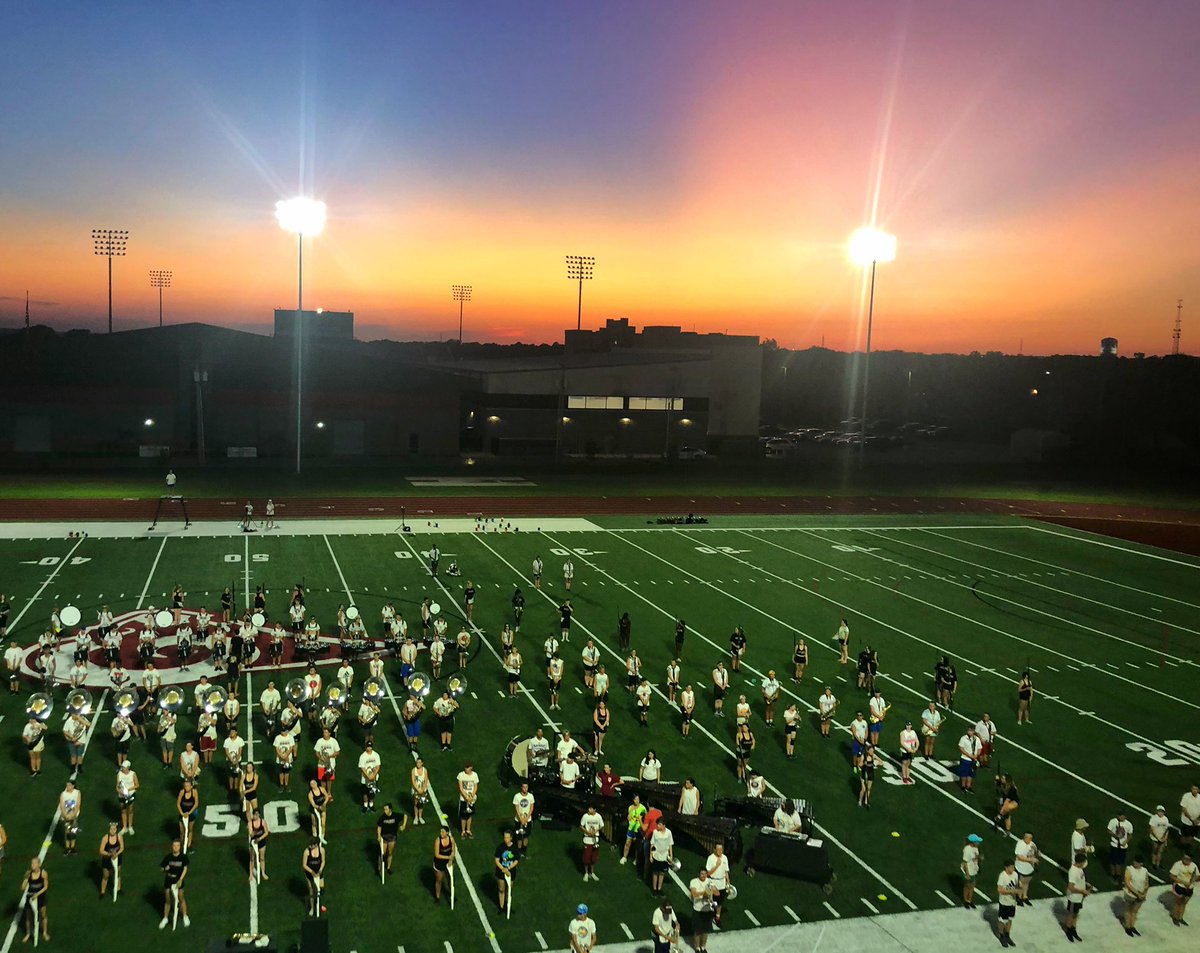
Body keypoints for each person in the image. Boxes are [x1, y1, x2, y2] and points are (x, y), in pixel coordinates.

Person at [159, 839, 191, 929]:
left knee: (181, 898)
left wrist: (181, 879)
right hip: (169, 879)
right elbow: (161, 868)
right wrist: (165, 868)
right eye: (174, 846)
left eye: (177, 846)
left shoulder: (183, 857)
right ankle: (165, 918)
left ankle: (185, 916)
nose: (175, 847)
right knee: (168, 899)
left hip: (178, 879)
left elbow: (185, 868)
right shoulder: (168, 857)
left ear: (180, 847)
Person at [1064, 851, 1093, 941]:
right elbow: (1071, 887)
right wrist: (1083, 891)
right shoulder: (1073, 872)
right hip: (1074, 897)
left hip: (1079, 897)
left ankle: (1073, 929)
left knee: (1076, 914)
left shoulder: (1079, 869)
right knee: (1071, 914)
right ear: (1080, 863)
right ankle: (1068, 930)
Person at [21, 857, 50, 944]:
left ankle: (44, 932)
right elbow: (22, 888)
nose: (32, 865)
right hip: (30, 897)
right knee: (29, 916)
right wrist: (25, 878)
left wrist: (37, 894)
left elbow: (46, 887)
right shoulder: (29, 874)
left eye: (34, 863)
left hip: (40, 897)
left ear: (39, 864)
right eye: (32, 863)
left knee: (43, 915)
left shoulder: (43, 873)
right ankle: (28, 933)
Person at [689, 868, 716, 953]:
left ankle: (703, 947)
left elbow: (717, 893)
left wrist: (712, 890)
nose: (703, 875)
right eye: (701, 874)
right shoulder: (694, 882)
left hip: (708, 910)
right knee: (697, 931)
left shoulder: (710, 881)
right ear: (699, 874)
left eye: (705, 874)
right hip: (698, 910)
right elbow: (694, 894)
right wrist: (704, 892)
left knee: (705, 931)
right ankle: (697, 948)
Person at [705, 841, 731, 926]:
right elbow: (708, 873)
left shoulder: (725, 858)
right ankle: (708, 916)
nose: (720, 851)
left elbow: (726, 871)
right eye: (718, 849)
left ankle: (717, 916)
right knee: (711, 901)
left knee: (720, 902)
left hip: (722, 883)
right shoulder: (710, 858)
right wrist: (716, 865)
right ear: (714, 850)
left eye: (721, 849)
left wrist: (728, 883)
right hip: (713, 882)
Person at [996, 859, 1020, 948]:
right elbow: (999, 889)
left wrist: (1018, 890)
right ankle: (1002, 936)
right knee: (1002, 920)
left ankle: (1007, 935)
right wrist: (1011, 891)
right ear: (1006, 867)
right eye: (1011, 867)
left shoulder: (1015, 874)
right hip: (1004, 902)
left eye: (1013, 867)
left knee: (1010, 919)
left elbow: (1017, 885)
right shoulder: (1002, 876)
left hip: (1012, 902)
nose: (1013, 868)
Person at [1123, 855, 1149, 936]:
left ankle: (1132, 926)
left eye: (1137, 862)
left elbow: (1147, 882)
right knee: (1128, 910)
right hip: (1130, 894)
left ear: (1141, 863)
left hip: (1140, 895)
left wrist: (1144, 892)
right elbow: (1127, 883)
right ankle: (1128, 926)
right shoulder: (1129, 869)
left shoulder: (1144, 870)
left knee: (1134, 911)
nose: (1134, 863)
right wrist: (1137, 893)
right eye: (1134, 861)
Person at [98, 821, 124, 899]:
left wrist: (116, 854)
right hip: (107, 859)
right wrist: (109, 854)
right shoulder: (105, 838)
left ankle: (118, 889)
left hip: (117, 857)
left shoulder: (119, 837)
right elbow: (101, 850)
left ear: (116, 830)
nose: (112, 831)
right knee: (106, 875)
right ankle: (102, 891)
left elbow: (122, 848)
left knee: (118, 873)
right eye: (111, 829)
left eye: (114, 829)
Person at [648, 818, 674, 896]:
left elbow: (670, 844)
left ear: (663, 825)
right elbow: (652, 844)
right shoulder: (655, 832)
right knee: (655, 873)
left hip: (664, 856)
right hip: (656, 855)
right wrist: (651, 856)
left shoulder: (669, 833)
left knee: (662, 873)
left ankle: (659, 888)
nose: (657, 826)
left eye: (659, 824)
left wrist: (671, 855)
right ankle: (654, 889)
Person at [495, 830, 519, 912]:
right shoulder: (500, 847)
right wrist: (503, 869)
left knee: (509, 890)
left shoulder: (514, 848)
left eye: (507, 837)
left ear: (511, 838)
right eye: (504, 837)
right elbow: (497, 860)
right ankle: (501, 907)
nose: (505, 839)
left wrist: (508, 868)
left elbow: (516, 860)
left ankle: (507, 905)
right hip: (501, 871)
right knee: (501, 889)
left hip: (511, 871)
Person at [1170, 853, 1197, 926]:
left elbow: (1196, 875)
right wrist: (1183, 882)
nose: (1184, 860)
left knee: (1184, 903)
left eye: (1187, 859)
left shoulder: (1193, 866)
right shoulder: (1178, 864)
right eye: (1184, 858)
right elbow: (1172, 876)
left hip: (1189, 888)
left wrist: (1192, 881)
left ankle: (1180, 918)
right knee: (1178, 902)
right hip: (1180, 886)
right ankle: (1175, 917)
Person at [302, 837, 325, 916]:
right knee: (311, 890)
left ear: (316, 845)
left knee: (321, 887)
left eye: (312, 845)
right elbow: (304, 865)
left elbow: (323, 861)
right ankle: (312, 908)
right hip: (309, 873)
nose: (310, 846)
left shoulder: (321, 850)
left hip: (318, 872)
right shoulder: (306, 852)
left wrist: (320, 870)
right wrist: (311, 872)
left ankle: (319, 903)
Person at [1014, 832, 1039, 905]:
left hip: (1029, 868)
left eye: (1029, 838)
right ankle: (1019, 897)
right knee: (1020, 883)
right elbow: (1020, 857)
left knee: (1026, 882)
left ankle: (1025, 897)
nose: (1028, 839)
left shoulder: (1033, 844)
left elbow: (1035, 853)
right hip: (1020, 867)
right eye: (1026, 837)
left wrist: (1037, 855)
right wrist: (1031, 860)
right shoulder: (1020, 844)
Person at [580, 805, 604, 881]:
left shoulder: (598, 816)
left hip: (595, 840)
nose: (589, 809)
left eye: (590, 808)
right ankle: (586, 873)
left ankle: (592, 873)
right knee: (586, 858)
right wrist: (587, 831)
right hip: (587, 840)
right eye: (589, 808)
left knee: (593, 858)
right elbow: (581, 826)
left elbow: (602, 825)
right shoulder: (585, 816)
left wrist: (596, 830)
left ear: (594, 809)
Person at [621, 795, 647, 865]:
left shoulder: (643, 808)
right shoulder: (630, 807)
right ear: (633, 800)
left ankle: (636, 859)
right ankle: (624, 857)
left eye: (638, 799)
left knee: (637, 845)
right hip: (631, 828)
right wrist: (631, 811)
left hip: (638, 830)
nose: (637, 801)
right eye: (635, 799)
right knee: (627, 843)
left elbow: (645, 819)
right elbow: (629, 818)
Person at [58, 780, 82, 853]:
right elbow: (62, 806)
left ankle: (73, 847)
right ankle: (67, 847)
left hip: (74, 815)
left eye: (69, 785)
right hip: (66, 816)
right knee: (67, 831)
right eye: (67, 785)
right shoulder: (63, 794)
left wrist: (73, 815)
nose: (67, 787)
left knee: (73, 830)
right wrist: (66, 816)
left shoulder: (77, 793)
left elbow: (78, 804)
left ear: (73, 786)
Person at [314, 726, 340, 794]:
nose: (324, 734)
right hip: (321, 763)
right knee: (322, 779)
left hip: (331, 763)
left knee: (329, 779)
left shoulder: (334, 741)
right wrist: (320, 757)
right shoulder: (319, 741)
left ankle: (329, 793)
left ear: (329, 733)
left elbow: (338, 752)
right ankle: (324, 793)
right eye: (324, 732)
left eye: (326, 732)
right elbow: (317, 752)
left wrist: (330, 756)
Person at [1107, 812, 1132, 881]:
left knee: (1120, 862)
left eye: (1122, 815)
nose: (1121, 817)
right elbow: (1108, 830)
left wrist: (1126, 842)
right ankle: (1112, 874)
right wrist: (1115, 835)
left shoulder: (1128, 824)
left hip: (1123, 846)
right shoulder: (1113, 821)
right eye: (1120, 815)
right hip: (1114, 844)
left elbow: (1130, 835)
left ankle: (1118, 875)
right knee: (1112, 861)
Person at [457, 762, 479, 838]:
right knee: (463, 815)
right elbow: (460, 787)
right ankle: (463, 831)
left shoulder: (475, 775)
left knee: (469, 815)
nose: (466, 769)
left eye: (467, 767)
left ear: (471, 768)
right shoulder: (461, 775)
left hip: (471, 798)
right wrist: (466, 797)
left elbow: (475, 786)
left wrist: (471, 796)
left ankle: (468, 830)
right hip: (463, 798)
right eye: (465, 767)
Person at [117, 759, 139, 834]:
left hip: (131, 794)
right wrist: (121, 791)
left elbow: (137, 785)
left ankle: (130, 826)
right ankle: (124, 827)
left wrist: (128, 789)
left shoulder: (133, 774)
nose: (122, 768)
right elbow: (117, 786)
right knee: (123, 811)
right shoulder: (119, 774)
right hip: (122, 795)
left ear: (128, 768)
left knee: (130, 810)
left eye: (124, 767)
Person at [512, 782, 535, 855]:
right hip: (518, 820)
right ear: (521, 787)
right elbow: (517, 808)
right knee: (519, 836)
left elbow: (531, 808)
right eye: (524, 787)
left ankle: (524, 851)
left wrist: (526, 819)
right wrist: (521, 819)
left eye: (526, 787)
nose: (525, 789)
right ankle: (519, 851)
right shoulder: (517, 796)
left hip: (527, 820)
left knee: (526, 836)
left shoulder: (530, 796)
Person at [177, 779, 199, 851]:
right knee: (181, 831)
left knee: (190, 829)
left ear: (191, 786)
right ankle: (182, 844)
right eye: (185, 786)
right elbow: (178, 804)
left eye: (188, 785)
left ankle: (189, 845)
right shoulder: (182, 792)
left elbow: (196, 804)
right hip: (183, 814)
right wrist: (182, 813)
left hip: (191, 813)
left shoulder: (194, 792)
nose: (186, 787)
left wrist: (189, 813)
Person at [958, 726, 981, 793]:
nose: (969, 732)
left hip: (973, 759)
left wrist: (976, 755)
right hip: (965, 759)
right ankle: (963, 786)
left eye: (971, 731)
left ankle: (968, 786)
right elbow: (961, 748)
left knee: (971, 773)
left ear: (973, 731)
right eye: (968, 730)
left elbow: (979, 748)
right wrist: (970, 755)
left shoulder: (977, 739)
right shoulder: (963, 738)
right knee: (964, 773)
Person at [962, 834, 983, 908]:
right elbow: (965, 862)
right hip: (968, 870)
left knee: (972, 886)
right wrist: (967, 874)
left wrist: (979, 858)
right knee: (967, 886)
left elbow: (974, 857)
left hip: (974, 869)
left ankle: (970, 901)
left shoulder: (975, 848)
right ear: (973, 842)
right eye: (977, 842)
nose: (978, 843)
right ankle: (966, 901)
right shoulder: (967, 849)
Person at [249, 809, 269, 882]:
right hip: (253, 842)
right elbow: (251, 834)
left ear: (258, 815)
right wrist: (255, 832)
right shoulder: (250, 823)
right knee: (252, 859)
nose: (254, 816)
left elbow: (266, 832)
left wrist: (260, 839)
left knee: (262, 858)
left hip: (261, 842)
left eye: (256, 814)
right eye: (254, 814)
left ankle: (263, 873)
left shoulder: (263, 822)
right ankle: (251, 874)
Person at [308, 778, 331, 843]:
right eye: (312, 784)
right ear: (310, 786)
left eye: (314, 783)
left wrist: (324, 804)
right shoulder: (310, 794)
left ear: (316, 783)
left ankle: (322, 837)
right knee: (314, 823)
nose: (313, 785)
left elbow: (326, 796)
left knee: (323, 824)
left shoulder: (321, 789)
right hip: (314, 810)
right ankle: (314, 837)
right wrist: (318, 807)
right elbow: (313, 804)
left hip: (322, 808)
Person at [1150, 804, 1171, 869]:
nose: (1160, 812)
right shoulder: (1154, 818)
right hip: (1155, 838)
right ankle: (1153, 863)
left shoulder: (1165, 819)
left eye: (1162, 811)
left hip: (1162, 838)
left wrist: (1165, 838)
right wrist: (1158, 838)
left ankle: (1158, 864)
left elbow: (1167, 830)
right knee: (1155, 851)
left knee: (1160, 852)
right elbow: (1152, 829)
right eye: (1159, 811)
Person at [849, 710, 868, 775]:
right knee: (855, 754)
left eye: (860, 715)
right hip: (856, 741)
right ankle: (854, 765)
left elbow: (866, 731)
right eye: (858, 715)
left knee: (860, 753)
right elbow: (854, 733)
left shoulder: (865, 722)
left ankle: (858, 765)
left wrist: (864, 739)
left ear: (862, 716)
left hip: (862, 740)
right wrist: (860, 741)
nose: (859, 716)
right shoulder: (854, 723)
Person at [411, 757, 430, 825]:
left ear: (422, 763)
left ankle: (420, 817)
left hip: (423, 789)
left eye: (419, 762)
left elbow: (426, 780)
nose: (418, 764)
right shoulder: (414, 770)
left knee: (421, 803)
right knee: (416, 803)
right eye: (417, 762)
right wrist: (418, 789)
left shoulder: (425, 770)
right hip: (416, 789)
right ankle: (416, 817)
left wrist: (423, 789)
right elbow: (413, 781)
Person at [1182, 784, 1200, 850]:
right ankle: (1183, 846)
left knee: (1192, 835)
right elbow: (1184, 809)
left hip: (1197, 822)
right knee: (1185, 836)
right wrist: (1192, 820)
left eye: (1196, 789)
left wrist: (1197, 819)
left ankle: (1187, 847)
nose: (1194, 791)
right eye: (1193, 789)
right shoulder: (1186, 796)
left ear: (1198, 790)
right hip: (1187, 820)